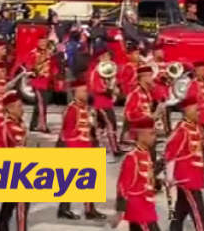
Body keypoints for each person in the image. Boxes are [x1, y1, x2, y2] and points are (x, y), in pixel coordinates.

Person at [58, 78, 105, 221]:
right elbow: (66, 132)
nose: (86, 93)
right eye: (83, 91)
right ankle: (65, 209)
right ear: (75, 93)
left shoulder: (85, 108)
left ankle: (89, 209)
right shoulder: (72, 109)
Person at [164, 97, 204, 231]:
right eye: (196, 110)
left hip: (194, 176)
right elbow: (170, 152)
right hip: (186, 178)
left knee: (181, 209)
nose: (198, 112)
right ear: (186, 111)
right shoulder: (182, 129)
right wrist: (170, 176)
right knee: (198, 210)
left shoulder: (196, 127)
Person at [115, 117, 160, 231]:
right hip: (139, 211)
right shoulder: (132, 157)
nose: (154, 137)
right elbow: (122, 185)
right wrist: (120, 211)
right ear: (140, 136)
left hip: (147, 209)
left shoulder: (146, 154)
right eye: (151, 134)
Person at [0, 93, 30, 231]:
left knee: (9, 204)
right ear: (9, 109)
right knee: (22, 205)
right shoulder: (4, 127)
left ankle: (2, 227)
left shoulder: (20, 123)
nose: (23, 109)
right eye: (19, 106)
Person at [86, 45, 121, 153]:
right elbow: (95, 88)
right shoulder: (96, 71)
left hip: (107, 102)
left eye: (109, 56)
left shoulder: (107, 71)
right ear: (100, 58)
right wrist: (109, 90)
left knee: (100, 125)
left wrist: (115, 89)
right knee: (111, 124)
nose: (108, 59)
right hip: (101, 103)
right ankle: (114, 148)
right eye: (106, 56)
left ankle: (96, 145)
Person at [123, 65, 155, 148]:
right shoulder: (135, 94)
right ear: (143, 77)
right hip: (139, 136)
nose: (152, 78)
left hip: (147, 132)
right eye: (150, 75)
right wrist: (147, 117)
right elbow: (129, 115)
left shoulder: (147, 93)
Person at [28, 36, 56, 133]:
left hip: (48, 83)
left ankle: (33, 125)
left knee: (41, 105)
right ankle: (42, 126)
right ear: (37, 43)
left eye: (44, 42)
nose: (43, 44)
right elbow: (29, 68)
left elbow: (53, 67)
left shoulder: (50, 53)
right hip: (38, 83)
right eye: (41, 42)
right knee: (41, 105)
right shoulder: (33, 54)